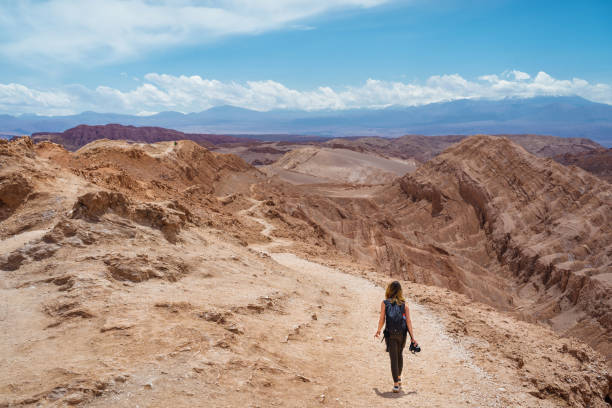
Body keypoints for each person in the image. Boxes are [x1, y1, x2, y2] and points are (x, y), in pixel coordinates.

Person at [374, 281, 418, 393]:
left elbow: (382, 319)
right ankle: (398, 377)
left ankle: (396, 384)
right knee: (399, 355)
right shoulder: (404, 304)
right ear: (400, 291)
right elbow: (408, 322)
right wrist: (413, 337)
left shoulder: (385, 303)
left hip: (390, 334)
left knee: (393, 358)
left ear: (389, 290)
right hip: (402, 334)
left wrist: (378, 330)